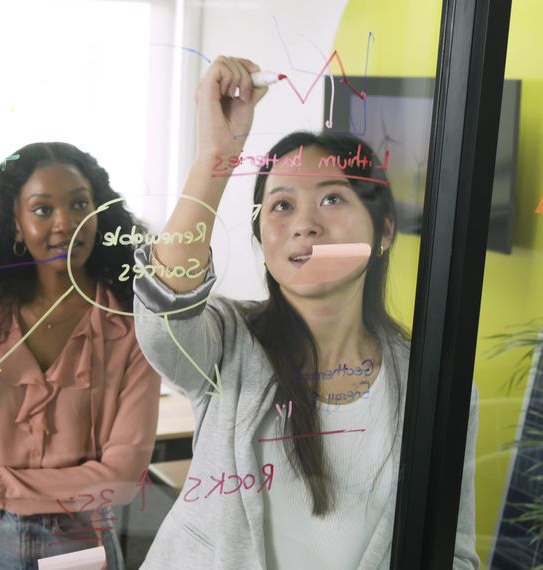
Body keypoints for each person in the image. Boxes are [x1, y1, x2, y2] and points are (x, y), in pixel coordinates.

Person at [132, 56, 480, 569]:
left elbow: (451, 550)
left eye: (333, 198)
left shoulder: (435, 383)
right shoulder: (228, 342)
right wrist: (217, 154)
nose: (305, 225)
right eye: (282, 205)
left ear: (384, 232)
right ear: (262, 238)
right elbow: (163, 314)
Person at [0, 142, 162, 569]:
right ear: (16, 226)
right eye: (43, 210)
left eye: (80, 204)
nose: (67, 223)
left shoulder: (132, 325)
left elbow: (120, 479)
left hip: (78, 544)